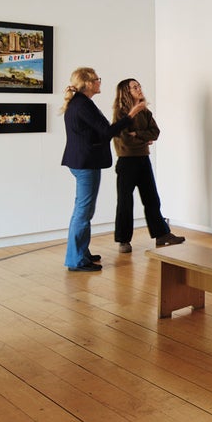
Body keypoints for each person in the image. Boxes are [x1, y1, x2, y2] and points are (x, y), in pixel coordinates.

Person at [60, 67, 143, 272]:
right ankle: (76, 259)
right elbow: (107, 131)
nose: (100, 82)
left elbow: (100, 133)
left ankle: (81, 252)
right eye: (97, 79)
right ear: (88, 83)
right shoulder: (82, 105)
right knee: (83, 211)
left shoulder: (81, 103)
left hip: (82, 161)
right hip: (86, 163)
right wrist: (132, 113)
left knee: (82, 209)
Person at [112, 78, 184, 251]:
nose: (139, 89)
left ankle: (162, 235)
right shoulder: (121, 114)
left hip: (143, 159)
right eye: (134, 87)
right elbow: (126, 140)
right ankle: (123, 240)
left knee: (152, 198)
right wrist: (144, 139)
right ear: (126, 92)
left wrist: (138, 134)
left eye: (139, 86)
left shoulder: (145, 112)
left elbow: (155, 132)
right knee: (125, 202)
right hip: (127, 161)